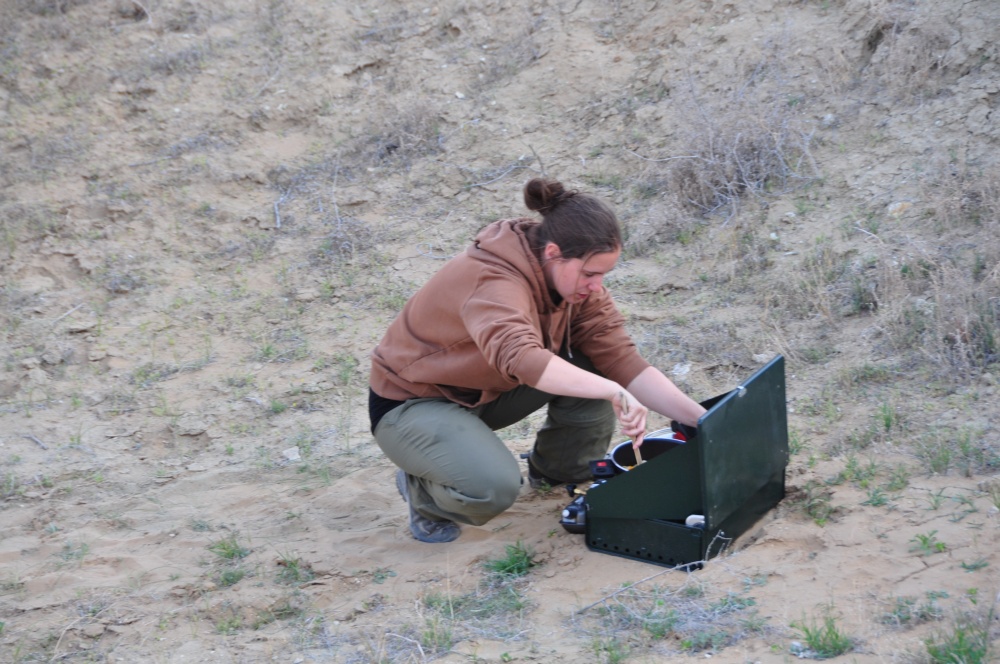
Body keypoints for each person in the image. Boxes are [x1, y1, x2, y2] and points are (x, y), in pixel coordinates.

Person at [369, 177, 706, 543]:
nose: (597, 285)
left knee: (590, 365)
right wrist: (614, 392)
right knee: (493, 487)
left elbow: (623, 360)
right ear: (553, 253)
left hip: (482, 393)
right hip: (412, 404)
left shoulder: (573, 286)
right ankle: (424, 491)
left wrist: (702, 420)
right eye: (590, 274)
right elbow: (523, 358)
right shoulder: (494, 279)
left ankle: (558, 471)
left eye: (604, 275)